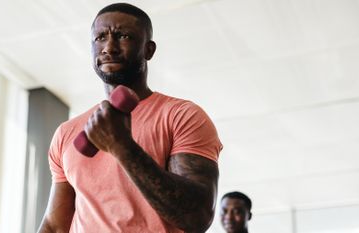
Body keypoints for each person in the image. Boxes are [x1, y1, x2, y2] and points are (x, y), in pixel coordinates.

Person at [38, 3, 222, 233]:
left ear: (149, 50)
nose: (109, 47)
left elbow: (197, 217)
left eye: (123, 36)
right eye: (100, 37)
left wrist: (122, 147)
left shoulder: (182, 116)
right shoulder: (67, 133)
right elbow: (55, 226)